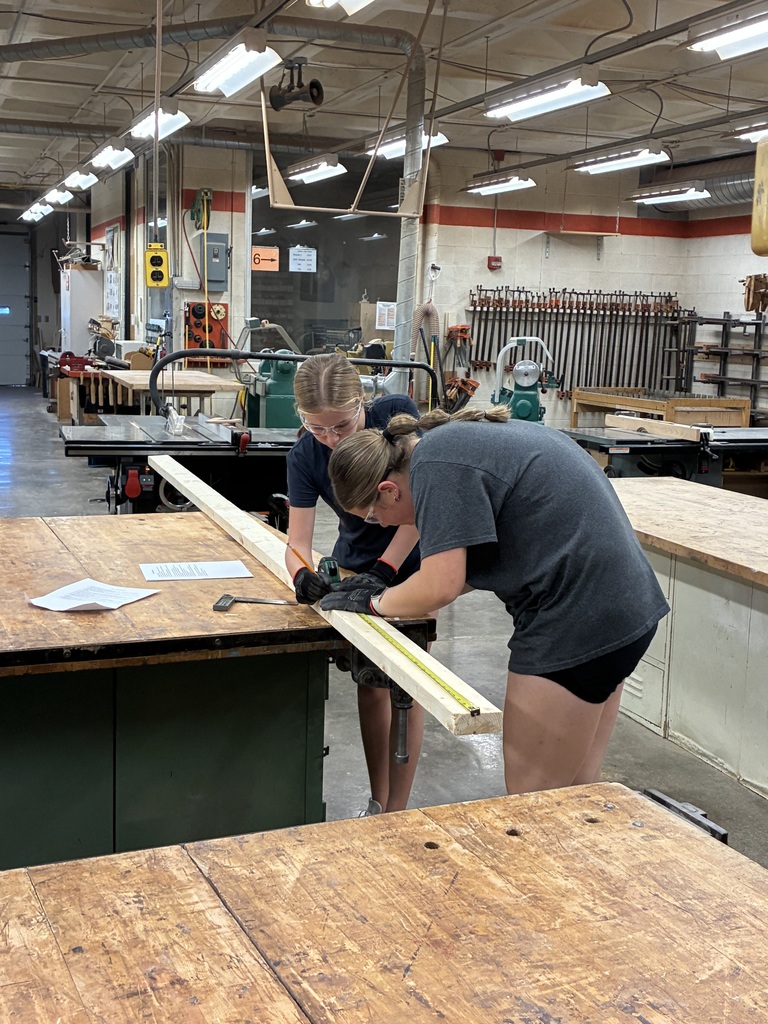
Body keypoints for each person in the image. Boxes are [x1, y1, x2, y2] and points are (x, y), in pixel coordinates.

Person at [320, 406, 670, 796]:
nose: (382, 527)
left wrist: (374, 603)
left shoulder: (433, 466)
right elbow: (475, 567)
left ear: (388, 490)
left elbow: (442, 584)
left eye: (372, 517)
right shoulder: (450, 444)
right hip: (625, 607)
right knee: (574, 795)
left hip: (577, 619)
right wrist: (386, 590)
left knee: (530, 799)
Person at [284, 352, 426, 815]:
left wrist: (385, 572)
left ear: (362, 403)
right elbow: (297, 541)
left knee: (408, 681)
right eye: (316, 427)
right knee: (370, 681)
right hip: (353, 562)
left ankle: (398, 809)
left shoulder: (398, 418)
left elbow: (423, 507)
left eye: (340, 427)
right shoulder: (305, 454)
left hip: (410, 557)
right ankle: (378, 800)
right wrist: (301, 573)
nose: (328, 438)